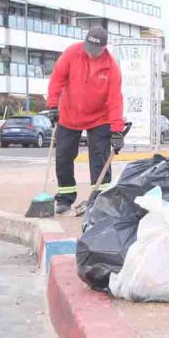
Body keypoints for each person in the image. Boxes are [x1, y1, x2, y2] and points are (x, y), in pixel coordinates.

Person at [46, 27, 125, 215]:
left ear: (104, 48)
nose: (91, 52)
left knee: (100, 158)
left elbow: (115, 100)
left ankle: (99, 200)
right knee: (63, 156)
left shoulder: (112, 68)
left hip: (99, 118)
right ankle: (65, 197)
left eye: (96, 49)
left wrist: (117, 131)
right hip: (69, 114)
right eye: (89, 46)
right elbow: (57, 78)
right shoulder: (72, 53)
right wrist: (52, 106)